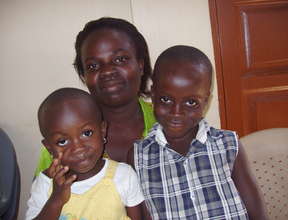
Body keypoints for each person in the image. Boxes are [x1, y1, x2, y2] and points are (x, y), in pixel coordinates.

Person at [134, 45, 268, 220]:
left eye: (191, 102)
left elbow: (255, 208)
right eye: (165, 99)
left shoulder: (228, 144)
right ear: (153, 95)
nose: (176, 112)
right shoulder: (139, 155)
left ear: (206, 102)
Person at [35, 17, 156, 176]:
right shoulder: (61, 140)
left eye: (120, 59)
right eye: (93, 66)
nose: (107, 71)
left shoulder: (170, 122)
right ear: (84, 76)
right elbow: (42, 198)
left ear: (140, 65)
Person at [26, 88, 144, 220]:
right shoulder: (46, 184)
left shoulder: (123, 176)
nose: (78, 148)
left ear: (102, 130)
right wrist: (56, 200)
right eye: (62, 141)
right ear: (49, 148)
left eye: (86, 133)